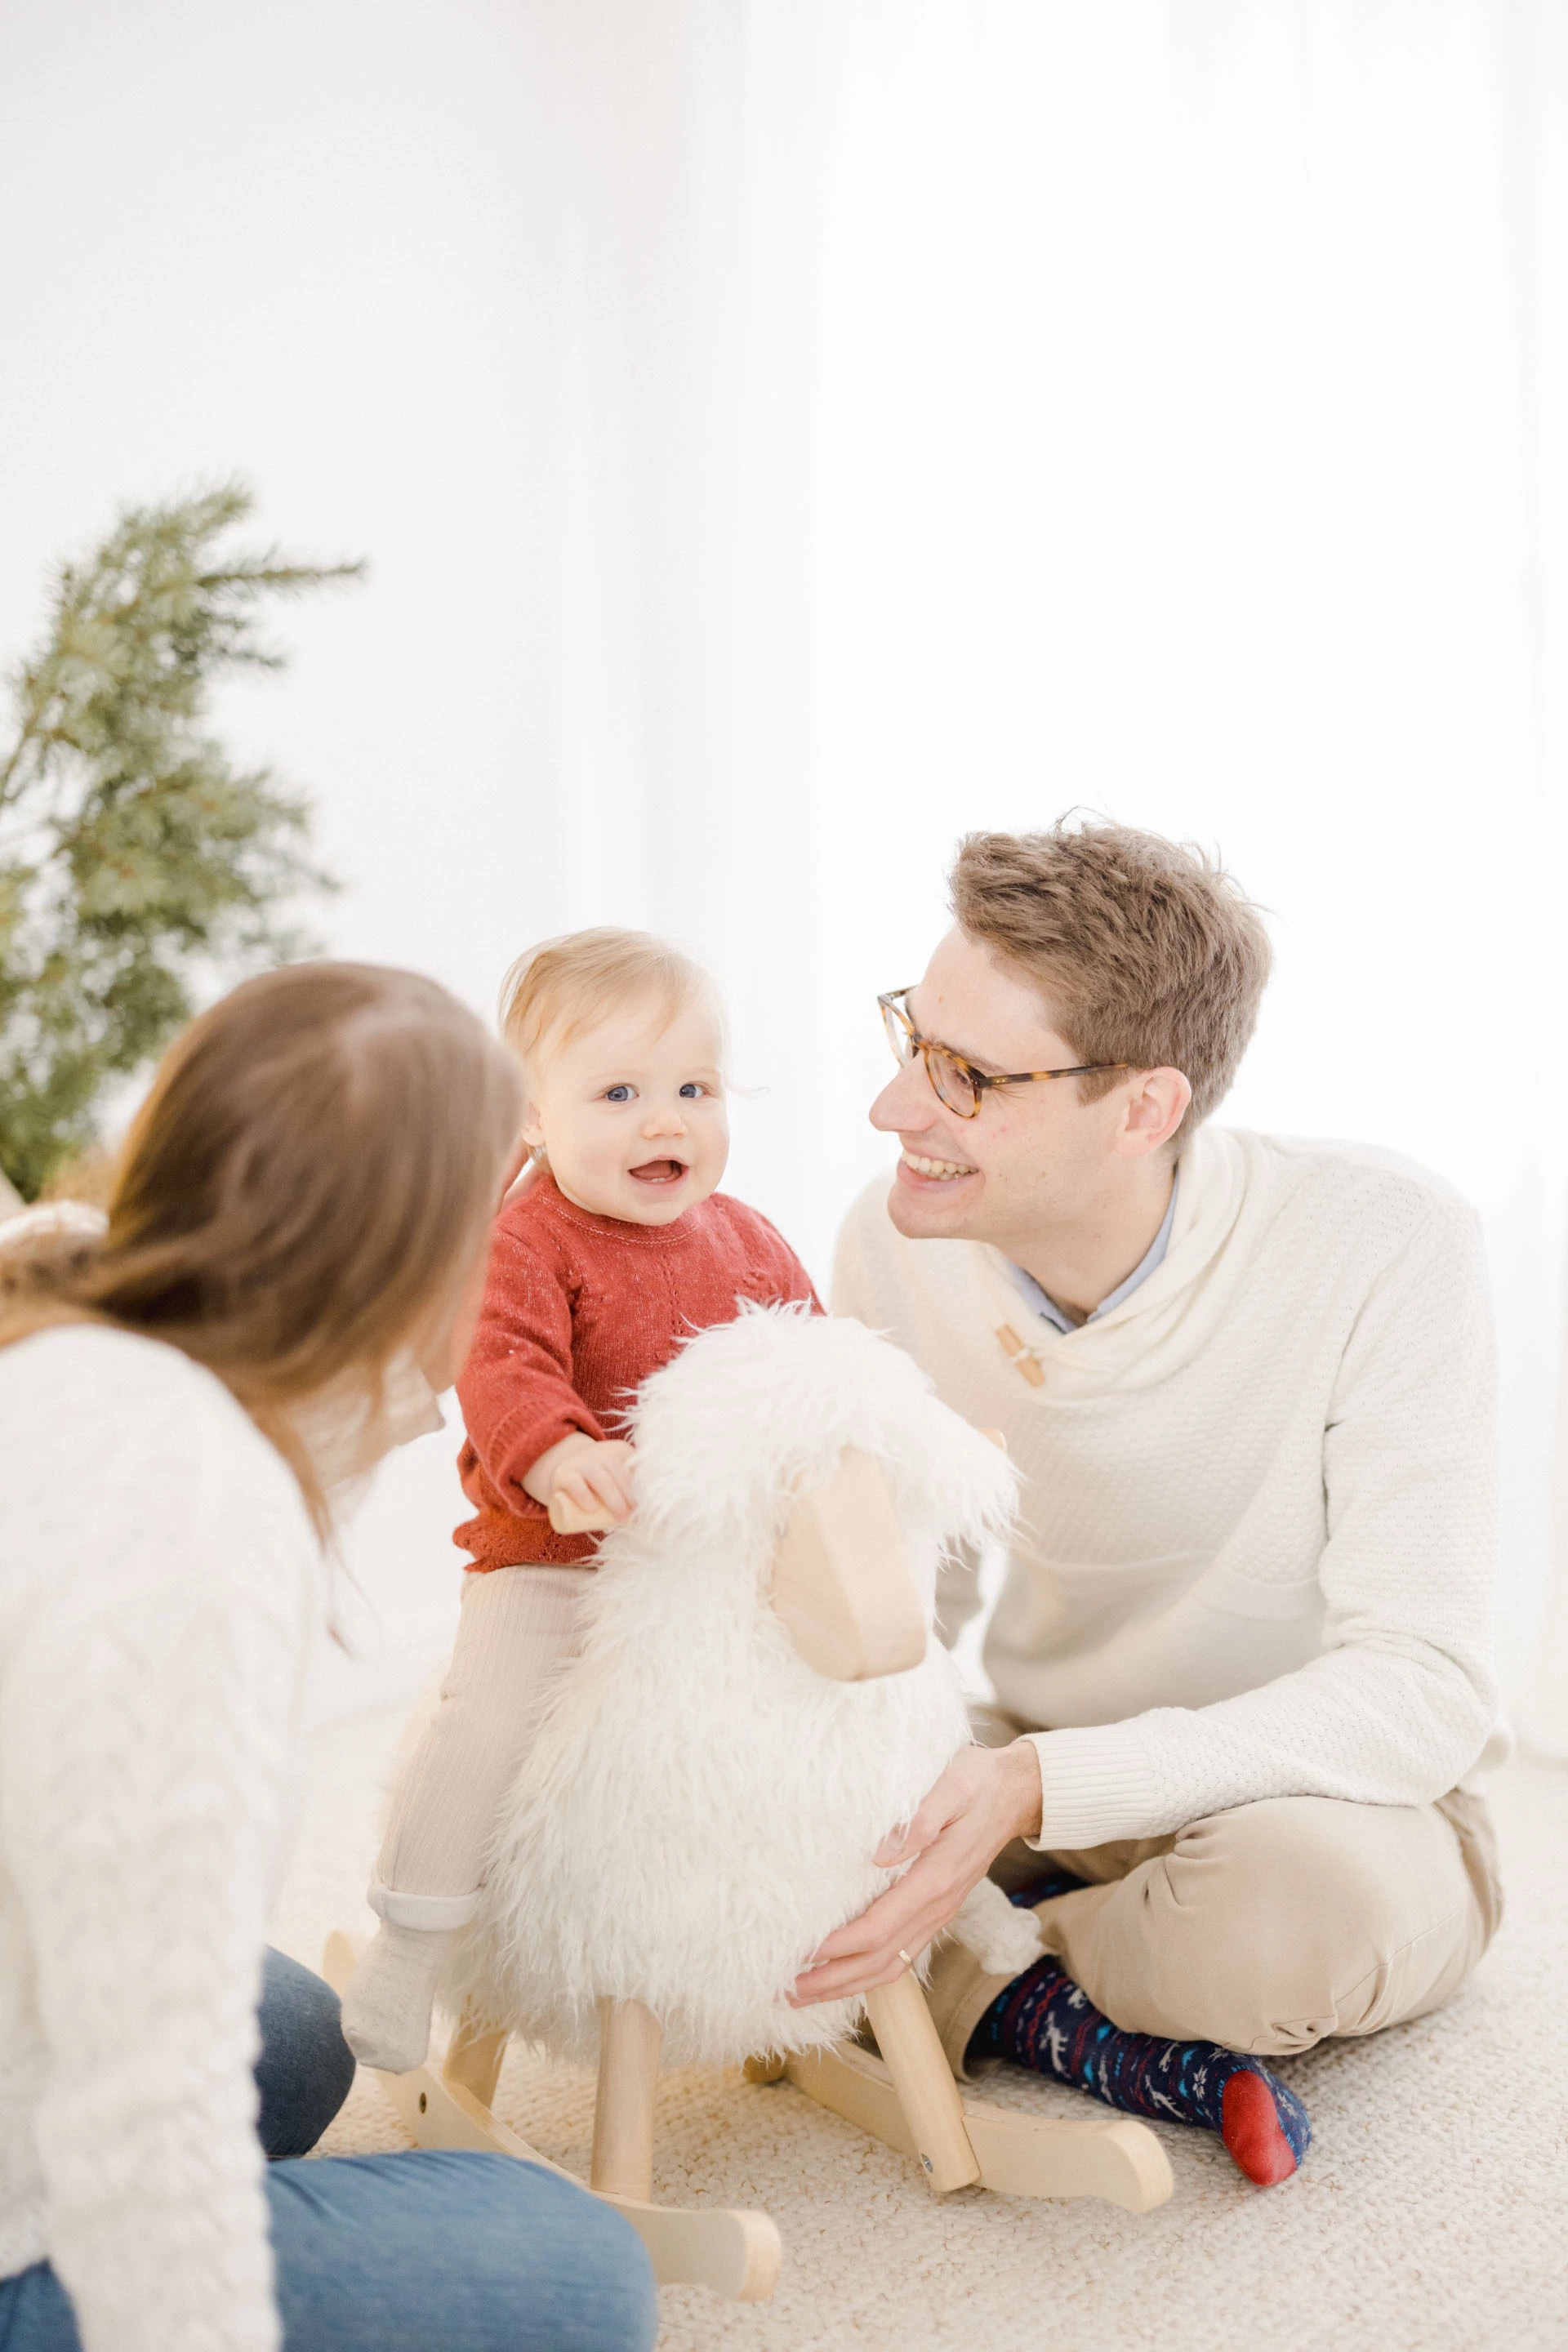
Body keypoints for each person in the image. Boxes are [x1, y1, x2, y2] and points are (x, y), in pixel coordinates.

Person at [801, 820, 1503, 2187]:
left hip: (1332, 1800)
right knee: (758, 1827)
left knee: (1285, 1928)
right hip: (1037, 1759)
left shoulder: (1387, 1242)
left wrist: (1035, 1788)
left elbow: (1422, 1692)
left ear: (1143, 1110)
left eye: (967, 1078)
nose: (896, 1111)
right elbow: (907, 1607)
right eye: (909, 1041)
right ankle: (1061, 1971)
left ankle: (995, 1978)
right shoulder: (896, 1239)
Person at [0, 963, 658, 2352]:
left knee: (295, 2035)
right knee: (581, 2275)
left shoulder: (69, 1309)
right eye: (501, 1200)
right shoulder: (187, 1533)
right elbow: (144, 2117)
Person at [341, 928, 820, 2075]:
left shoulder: (749, 1238)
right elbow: (497, 1365)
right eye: (619, 1093)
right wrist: (558, 1459)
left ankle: (778, 1938)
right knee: (488, 1716)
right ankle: (411, 1940)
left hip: (708, 1564)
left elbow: (809, 1361)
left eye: (694, 1089)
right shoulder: (522, 1240)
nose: (667, 1121)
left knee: (813, 1715)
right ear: (531, 1118)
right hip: (553, 1556)